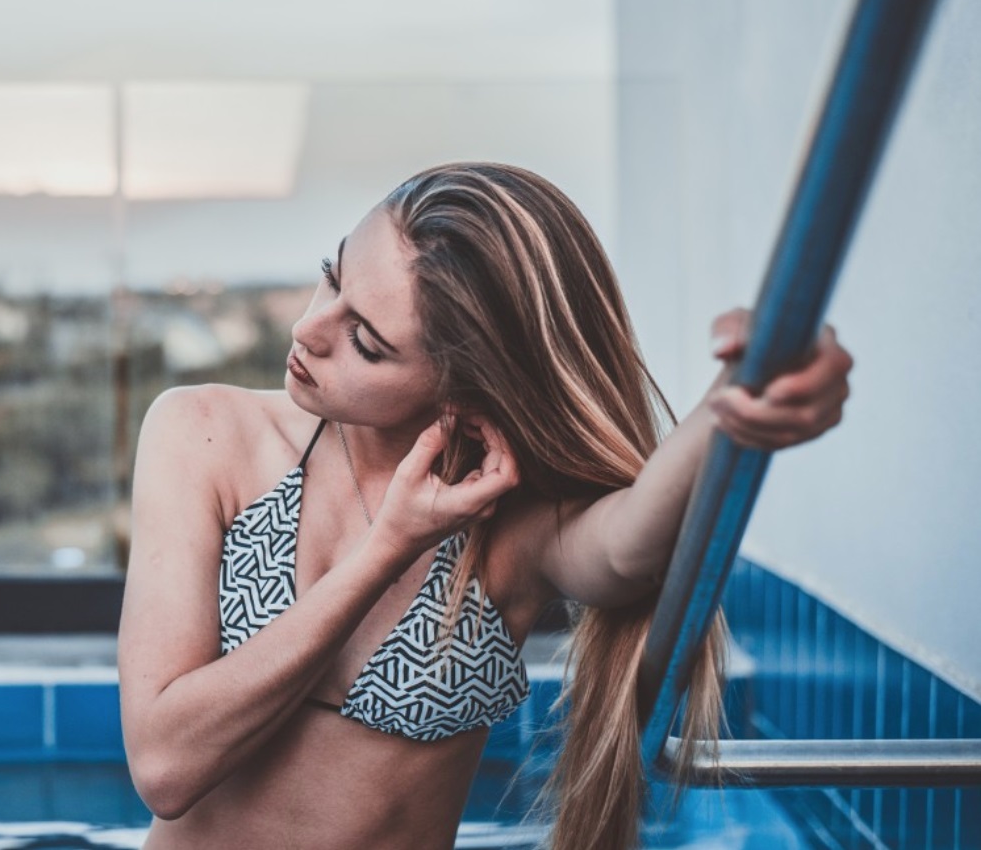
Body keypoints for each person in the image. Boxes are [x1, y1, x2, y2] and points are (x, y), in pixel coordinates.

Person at [117, 162, 854, 850]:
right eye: (329, 278)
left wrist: (732, 410)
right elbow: (166, 766)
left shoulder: (507, 524)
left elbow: (630, 545)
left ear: (463, 388)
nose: (307, 331)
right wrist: (387, 551)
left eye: (366, 342)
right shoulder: (203, 435)